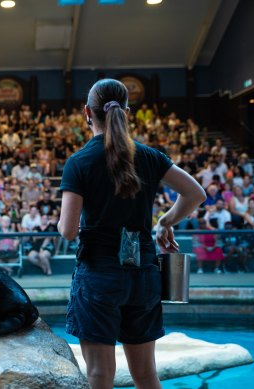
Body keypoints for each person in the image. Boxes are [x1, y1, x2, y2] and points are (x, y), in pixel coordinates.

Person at [57, 79, 206, 389]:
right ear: (126, 112)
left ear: (87, 112)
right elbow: (195, 194)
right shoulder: (150, 157)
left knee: (99, 373)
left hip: (98, 276)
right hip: (143, 275)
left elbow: (68, 231)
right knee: (146, 374)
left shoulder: (79, 162)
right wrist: (165, 221)